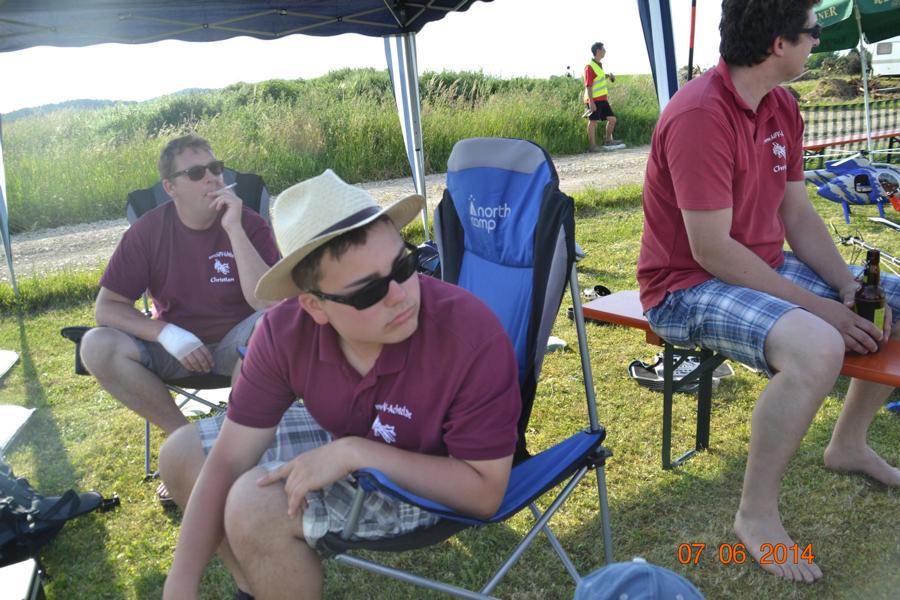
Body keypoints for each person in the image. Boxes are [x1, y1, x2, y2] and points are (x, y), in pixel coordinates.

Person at [159, 169, 521, 600]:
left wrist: (354, 453)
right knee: (182, 452)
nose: (400, 296)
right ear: (314, 307)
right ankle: (253, 587)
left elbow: (484, 492)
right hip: (348, 436)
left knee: (253, 506)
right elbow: (228, 460)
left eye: (404, 266)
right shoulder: (284, 332)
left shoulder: (469, 336)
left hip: (432, 477)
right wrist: (180, 582)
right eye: (368, 292)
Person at [637, 0, 900, 584]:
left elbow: (797, 213)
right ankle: (755, 516)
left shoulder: (782, 105)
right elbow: (710, 250)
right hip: (684, 286)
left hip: (758, 264)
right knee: (818, 346)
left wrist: (846, 285)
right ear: (779, 44)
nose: (818, 41)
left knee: (892, 302)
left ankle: (849, 445)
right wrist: (822, 308)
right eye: (813, 31)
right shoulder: (700, 115)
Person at [79, 134, 279, 485]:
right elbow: (107, 307)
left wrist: (234, 229)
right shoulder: (148, 231)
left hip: (239, 347)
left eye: (216, 168)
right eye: (197, 173)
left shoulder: (249, 223)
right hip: (177, 349)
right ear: (170, 187)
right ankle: (190, 445)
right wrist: (167, 334)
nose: (212, 178)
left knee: (272, 327)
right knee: (96, 344)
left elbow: (268, 303)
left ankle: (236, 451)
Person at [584, 41, 623, 151]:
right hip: (594, 99)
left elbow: (598, 78)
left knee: (612, 119)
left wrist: (608, 76)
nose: (605, 51)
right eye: (603, 49)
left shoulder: (598, 65)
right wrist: (591, 102)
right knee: (593, 121)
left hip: (602, 99)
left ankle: (608, 141)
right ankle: (592, 146)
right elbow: (588, 85)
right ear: (598, 51)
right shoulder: (589, 66)